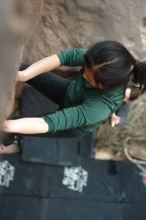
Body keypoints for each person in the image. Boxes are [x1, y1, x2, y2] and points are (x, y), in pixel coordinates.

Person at [1, 40, 146, 153]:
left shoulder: (100, 108)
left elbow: (51, 122)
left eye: (89, 78)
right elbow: (66, 57)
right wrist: (25, 75)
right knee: (22, 69)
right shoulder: (101, 60)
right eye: (85, 70)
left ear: (103, 86)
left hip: (72, 124)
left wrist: (5, 125)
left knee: (11, 129)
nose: (83, 75)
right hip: (70, 93)